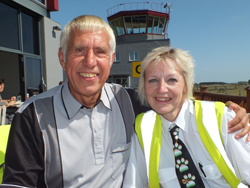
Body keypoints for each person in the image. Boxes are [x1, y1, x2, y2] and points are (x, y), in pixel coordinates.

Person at [0, 15, 249, 188]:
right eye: (79, 50)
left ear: (112, 58)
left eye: (100, 51)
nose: (90, 61)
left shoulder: (128, 101)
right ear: (62, 58)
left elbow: (172, 103)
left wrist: (233, 113)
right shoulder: (31, 115)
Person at [123, 47, 250, 188]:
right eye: (153, 80)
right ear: (144, 87)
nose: (161, 89)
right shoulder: (143, 127)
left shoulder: (221, 118)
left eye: (172, 80)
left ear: (185, 85)